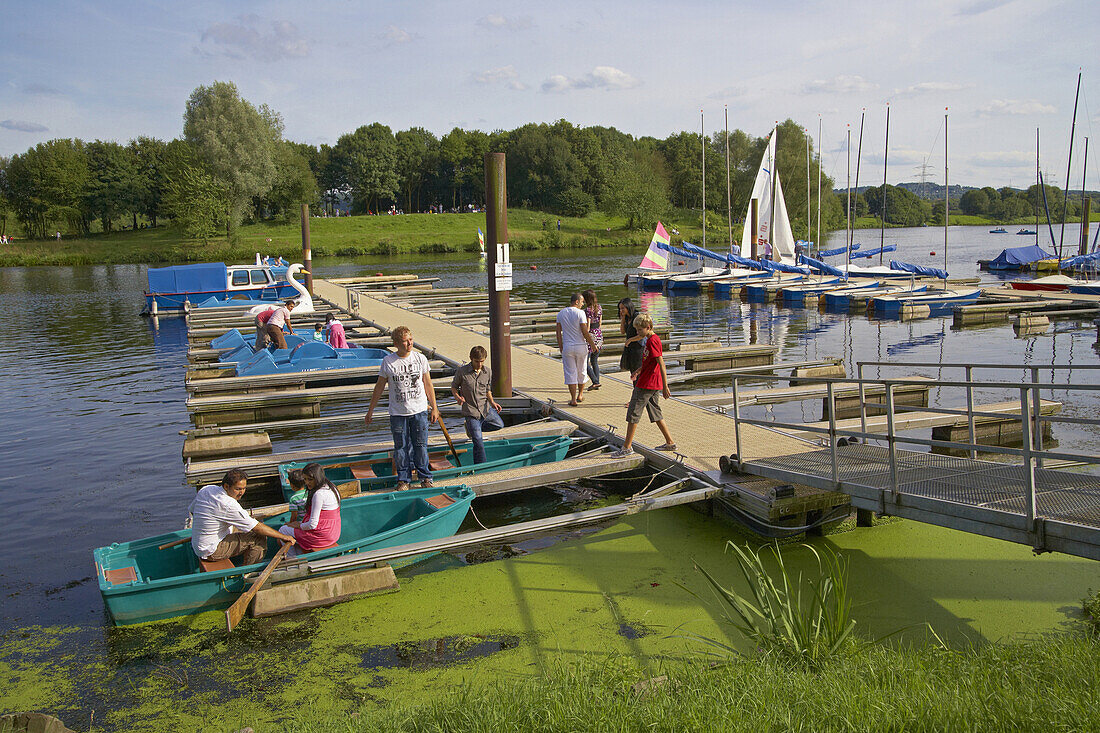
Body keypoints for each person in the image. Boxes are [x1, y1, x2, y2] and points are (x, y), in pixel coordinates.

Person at [365, 326, 441, 490]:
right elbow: (379, 387)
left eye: (411, 340)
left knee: (421, 445)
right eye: (405, 341)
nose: (409, 344)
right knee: (401, 447)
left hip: (419, 411)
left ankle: (425, 477)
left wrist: (434, 407)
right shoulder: (388, 362)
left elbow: (428, 384)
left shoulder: (420, 359)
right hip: (398, 413)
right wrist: (370, 410)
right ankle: (403, 479)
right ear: (396, 344)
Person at [189, 468, 294, 566]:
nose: (241, 493)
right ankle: (249, 572)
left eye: (244, 488)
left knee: (247, 525)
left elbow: (193, 511)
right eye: (238, 489)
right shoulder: (228, 504)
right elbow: (256, 527)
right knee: (258, 537)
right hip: (211, 550)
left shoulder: (207, 489)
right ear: (226, 486)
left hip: (199, 545)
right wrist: (284, 537)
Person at [612, 313, 676, 457]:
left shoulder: (653, 341)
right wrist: (638, 370)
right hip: (650, 382)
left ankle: (626, 447)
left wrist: (665, 386)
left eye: (640, 330)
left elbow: (661, 364)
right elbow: (650, 362)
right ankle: (670, 442)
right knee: (656, 413)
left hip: (647, 384)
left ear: (648, 327)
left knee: (633, 413)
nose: (638, 333)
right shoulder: (649, 339)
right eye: (636, 330)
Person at [450, 345, 504, 463]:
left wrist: (492, 402)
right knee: (478, 441)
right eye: (477, 361)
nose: (479, 364)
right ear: (471, 358)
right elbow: (454, 387)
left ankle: (471, 429)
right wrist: (457, 397)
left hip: (485, 409)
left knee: (499, 424)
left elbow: (487, 390)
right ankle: (481, 465)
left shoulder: (488, 372)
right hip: (471, 411)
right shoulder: (462, 372)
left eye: (482, 361)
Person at [278, 463, 342, 557]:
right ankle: (300, 554)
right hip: (334, 533)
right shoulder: (331, 487)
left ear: (318, 477)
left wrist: (299, 525)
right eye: (305, 479)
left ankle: (292, 559)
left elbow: (312, 525)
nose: (307, 483)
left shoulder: (319, 494)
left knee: (282, 531)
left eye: (310, 479)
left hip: (322, 537)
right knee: (291, 530)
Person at [555, 293, 596, 407]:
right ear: (576, 302)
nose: (583, 304)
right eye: (582, 302)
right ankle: (580, 395)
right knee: (582, 370)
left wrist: (561, 346)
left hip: (567, 346)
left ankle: (573, 399)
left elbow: (558, 332)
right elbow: (584, 331)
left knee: (570, 372)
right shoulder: (580, 313)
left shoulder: (561, 313)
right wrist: (592, 344)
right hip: (580, 346)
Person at [582, 290, 603, 391]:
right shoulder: (599, 308)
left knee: (585, 362)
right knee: (594, 361)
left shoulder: (587, 310)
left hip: (591, 335)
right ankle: (597, 382)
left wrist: (585, 334)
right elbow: (600, 323)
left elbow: (588, 325)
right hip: (599, 334)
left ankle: (595, 381)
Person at [617, 298, 643, 375]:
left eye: (622, 308)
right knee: (632, 371)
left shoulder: (637, 316)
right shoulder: (627, 318)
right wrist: (623, 319)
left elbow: (642, 335)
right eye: (620, 309)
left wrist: (630, 340)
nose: (621, 311)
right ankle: (635, 386)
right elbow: (622, 331)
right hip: (630, 349)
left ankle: (638, 386)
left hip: (638, 348)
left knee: (637, 371)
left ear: (628, 307)